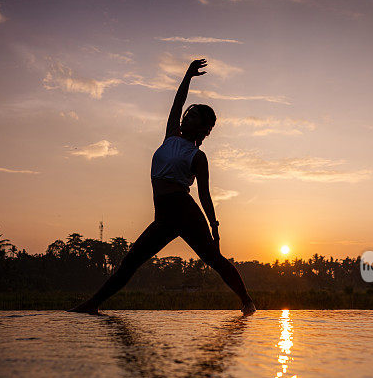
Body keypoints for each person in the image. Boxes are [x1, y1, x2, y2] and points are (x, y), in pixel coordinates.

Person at [70, 58, 256, 315]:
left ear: (204, 129)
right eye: (187, 114)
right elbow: (177, 103)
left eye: (192, 117)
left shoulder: (197, 157)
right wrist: (188, 76)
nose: (185, 117)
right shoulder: (170, 136)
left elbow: (204, 195)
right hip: (165, 217)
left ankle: (247, 302)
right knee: (130, 262)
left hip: (185, 213)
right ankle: (92, 305)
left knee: (215, 260)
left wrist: (214, 227)